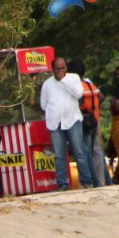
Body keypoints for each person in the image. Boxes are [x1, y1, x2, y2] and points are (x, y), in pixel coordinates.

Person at [40, 57, 95, 191]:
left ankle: (86, 181)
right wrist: (54, 110)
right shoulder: (47, 84)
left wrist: (63, 80)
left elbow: (78, 93)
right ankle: (62, 184)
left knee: (79, 151)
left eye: (63, 68)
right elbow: (43, 104)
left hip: (72, 120)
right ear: (53, 69)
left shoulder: (73, 78)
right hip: (55, 122)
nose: (61, 70)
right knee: (59, 155)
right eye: (58, 69)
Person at [67, 59, 112, 187]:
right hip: (94, 120)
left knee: (85, 153)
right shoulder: (88, 82)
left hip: (82, 123)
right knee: (97, 152)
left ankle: (93, 181)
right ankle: (104, 181)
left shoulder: (75, 85)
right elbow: (101, 97)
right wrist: (94, 109)